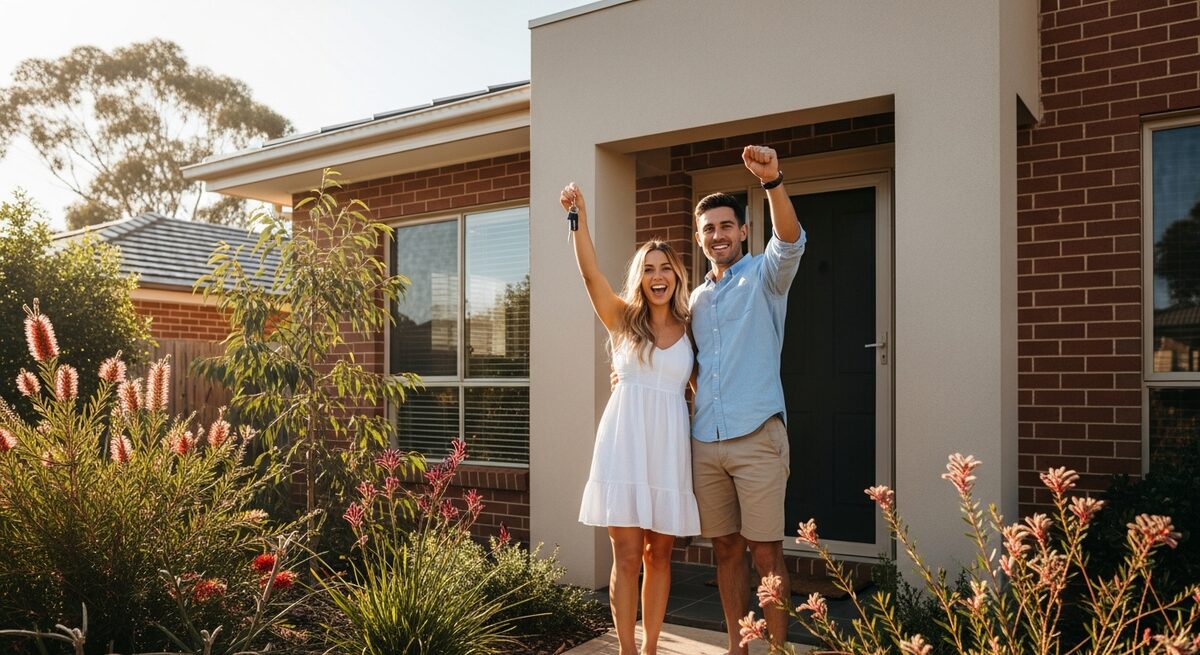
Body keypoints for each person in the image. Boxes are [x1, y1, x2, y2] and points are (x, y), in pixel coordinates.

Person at [561, 182, 701, 655]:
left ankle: (651, 648)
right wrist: (576, 217)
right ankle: (626, 651)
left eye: (665, 269)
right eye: (649, 269)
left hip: (668, 451)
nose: (657, 276)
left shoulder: (692, 330)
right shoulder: (623, 320)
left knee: (658, 555)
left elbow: (705, 391)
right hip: (624, 445)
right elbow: (590, 275)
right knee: (626, 555)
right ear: (640, 277)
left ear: (678, 277)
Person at [690, 145, 805, 654]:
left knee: (765, 552)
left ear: (742, 231)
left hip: (757, 435)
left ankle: (775, 650)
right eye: (708, 228)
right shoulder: (694, 298)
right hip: (706, 441)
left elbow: (790, 240)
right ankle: (739, 647)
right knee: (725, 550)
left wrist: (773, 181)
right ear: (700, 239)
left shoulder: (765, 276)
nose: (718, 235)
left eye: (726, 226)